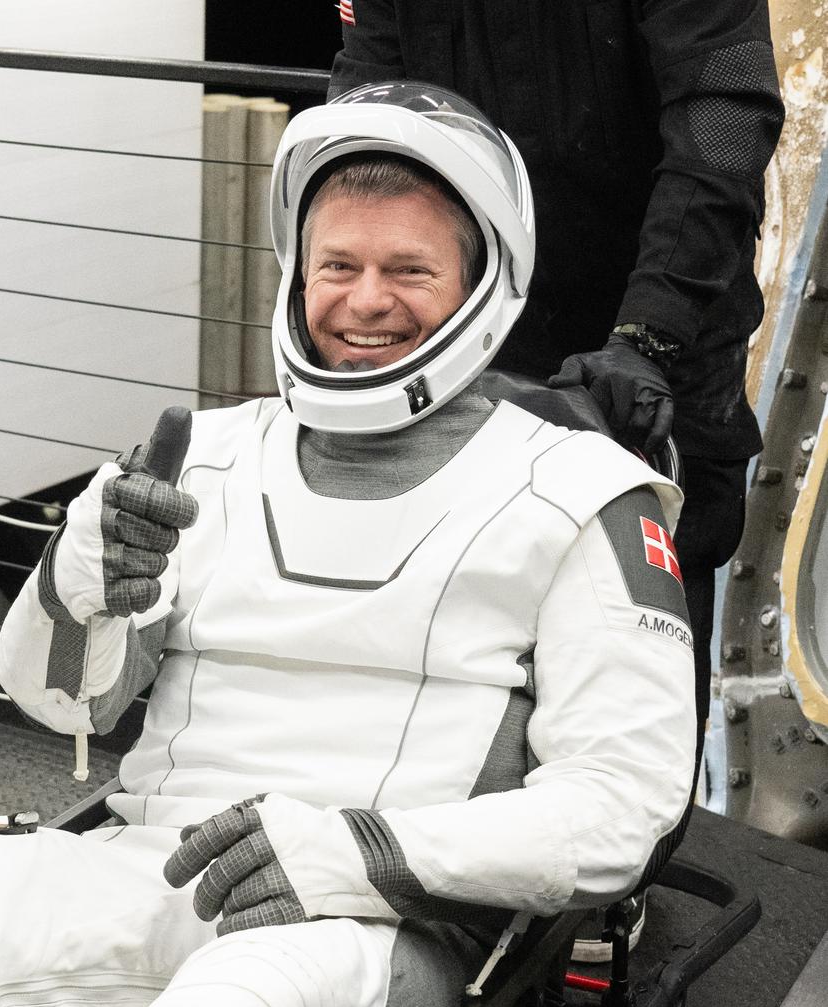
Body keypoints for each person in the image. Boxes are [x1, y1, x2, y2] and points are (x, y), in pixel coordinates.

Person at [0, 84, 694, 1007]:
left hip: (366, 936)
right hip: (153, 870)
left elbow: (624, 804)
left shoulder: (582, 494)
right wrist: (85, 583)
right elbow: (57, 701)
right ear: (297, 272)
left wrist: (355, 852)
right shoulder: (204, 456)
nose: (365, 300)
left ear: (484, 284)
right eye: (336, 264)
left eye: (409, 269)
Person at [328, 1, 785, 775]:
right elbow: (368, 112)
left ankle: (628, 858)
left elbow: (724, 113)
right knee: (457, 596)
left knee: (641, 609)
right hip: (473, 326)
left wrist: (648, 332)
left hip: (656, 325)